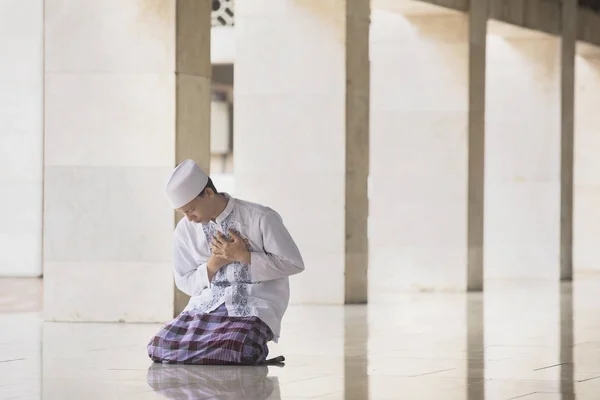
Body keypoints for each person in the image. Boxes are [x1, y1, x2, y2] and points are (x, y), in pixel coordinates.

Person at [147, 159, 304, 365]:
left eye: (191, 209)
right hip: (206, 306)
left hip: (252, 305)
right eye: (183, 213)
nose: (189, 218)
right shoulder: (185, 230)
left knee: (237, 346)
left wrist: (244, 257)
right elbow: (184, 281)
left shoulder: (261, 217)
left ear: (208, 194)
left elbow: (293, 263)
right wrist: (213, 265)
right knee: (160, 346)